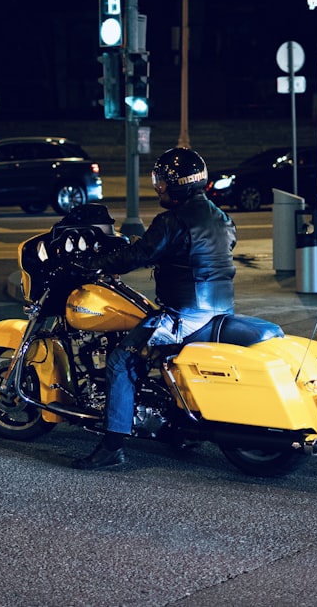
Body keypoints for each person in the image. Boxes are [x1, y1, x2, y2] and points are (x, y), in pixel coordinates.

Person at [73, 147, 237, 470]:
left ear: (176, 185)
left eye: (161, 181)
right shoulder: (221, 217)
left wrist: (94, 265)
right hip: (221, 311)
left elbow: (138, 256)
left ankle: (112, 446)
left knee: (121, 360)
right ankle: (174, 425)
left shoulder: (172, 222)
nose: (159, 187)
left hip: (186, 316)